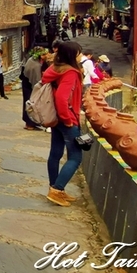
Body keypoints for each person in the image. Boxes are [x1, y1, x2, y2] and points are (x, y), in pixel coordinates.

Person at [41, 40, 84, 206]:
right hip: (66, 119)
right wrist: (68, 120)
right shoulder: (71, 72)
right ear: (72, 55)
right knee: (75, 157)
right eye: (79, 53)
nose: (80, 56)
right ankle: (57, 189)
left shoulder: (54, 68)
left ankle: (55, 188)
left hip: (55, 118)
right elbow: (62, 98)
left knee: (55, 153)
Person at [20, 47, 45, 130]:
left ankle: (31, 123)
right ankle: (30, 123)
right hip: (30, 86)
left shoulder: (31, 60)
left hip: (26, 83)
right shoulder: (36, 65)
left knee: (27, 103)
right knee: (31, 104)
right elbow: (36, 80)